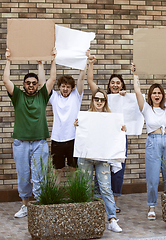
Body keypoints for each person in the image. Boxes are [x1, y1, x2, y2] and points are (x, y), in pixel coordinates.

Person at [3, 48, 56, 218]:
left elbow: (52, 79)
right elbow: (5, 80)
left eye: (34, 83)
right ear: (24, 84)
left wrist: (52, 60)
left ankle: (39, 205)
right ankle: (25, 205)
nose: (31, 85)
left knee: (40, 174)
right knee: (23, 175)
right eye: (28, 83)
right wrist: (8, 60)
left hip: (39, 142)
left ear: (37, 85)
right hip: (21, 143)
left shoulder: (42, 96)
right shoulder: (17, 96)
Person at [131, 63, 166, 220]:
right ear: (150, 95)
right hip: (153, 142)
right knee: (153, 177)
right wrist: (135, 74)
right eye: (154, 93)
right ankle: (152, 206)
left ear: (162, 95)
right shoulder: (146, 108)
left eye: (159, 93)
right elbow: (137, 91)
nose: (157, 95)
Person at [74, 88, 125, 233]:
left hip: (102, 158)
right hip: (86, 157)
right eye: (96, 99)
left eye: (102, 100)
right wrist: (77, 126)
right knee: (84, 187)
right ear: (92, 100)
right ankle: (84, 218)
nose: (99, 102)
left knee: (106, 188)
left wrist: (121, 130)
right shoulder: (85, 116)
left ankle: (112, 219)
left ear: (105, 101)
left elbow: (115, 135)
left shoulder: (110, 117)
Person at [86, 50, 128, 213]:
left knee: (118, 170)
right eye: (113, 83)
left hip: (119, 138)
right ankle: (99, 200)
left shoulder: (125, 97)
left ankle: (114, 202)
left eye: (118, 83)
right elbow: (90, 81)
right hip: (103, 139)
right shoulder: (103, 97)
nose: (115, 85)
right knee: (101, 168)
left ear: (122, 85)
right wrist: (91, 64)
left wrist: (126, 96)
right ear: (109, 85)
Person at [45, 58, 87, 185]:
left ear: (72, 88)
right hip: (57, 140)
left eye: (68, 87)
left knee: (74, 169)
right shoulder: (54, 98)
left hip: (73, 139)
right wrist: (42, 63)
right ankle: (54, 196)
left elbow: (81, 79)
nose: (65, 89)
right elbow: (44, 83)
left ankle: (76, 196)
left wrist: (85, 61)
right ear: (59, 87)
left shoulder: (76, 96)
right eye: (63, 86)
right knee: (57, 170)